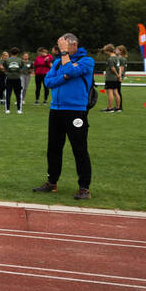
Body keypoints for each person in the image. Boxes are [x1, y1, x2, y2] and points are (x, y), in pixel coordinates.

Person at [34, 33, 94, 200]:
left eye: (64, 46)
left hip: (75, 110)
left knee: (79, 149)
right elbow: (48, 82)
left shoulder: (87, 61)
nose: (61, 50)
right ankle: (52, 182)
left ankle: (84, 188)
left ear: (73, 45)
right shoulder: (59, 61)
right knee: (53, 148)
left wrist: (66, 62)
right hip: (56, 110)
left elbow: (71, 71)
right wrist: (65, 76)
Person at [3, 48, 26, 114]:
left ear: (10, 53)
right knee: (18, 94)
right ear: (17, 53)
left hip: (9, 78)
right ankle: (19, 109)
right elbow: (23, 68)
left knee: (8, 94)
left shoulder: (7, 60)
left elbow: (5, 68)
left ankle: (7, 109)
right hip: (17, 78)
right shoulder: (20, 60)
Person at [101, 44, 123, 113]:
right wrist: (119, 76)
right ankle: (118, 107)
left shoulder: (110, 59)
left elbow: (112, 68)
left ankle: (110, 108)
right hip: (116, 78)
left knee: (110, 92)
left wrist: (116, 74)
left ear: (108, 51)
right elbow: (119, 68)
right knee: (116, 92)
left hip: (110, 78)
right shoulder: (117, 58)